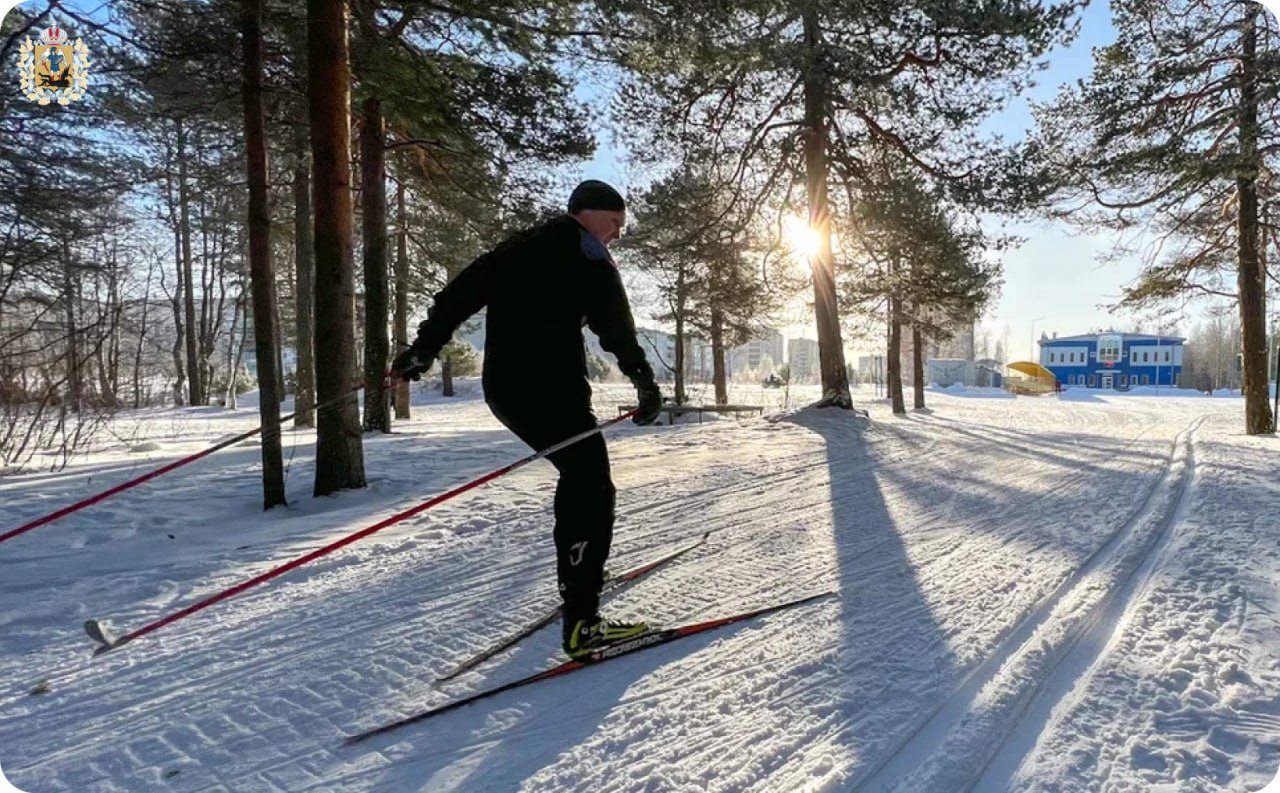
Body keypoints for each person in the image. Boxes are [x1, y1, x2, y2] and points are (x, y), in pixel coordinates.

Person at [391, 179, 663, 659]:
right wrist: (644, 382)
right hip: (551, 392)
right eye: (615, 221)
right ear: (589, 213)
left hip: (505, 391)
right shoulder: (591, 256)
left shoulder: (520, 245)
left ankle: (580, 577)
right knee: (591, 485)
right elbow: (616, 327)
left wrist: (424, 349)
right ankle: (584, 624)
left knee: (580, 476)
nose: (618, 233)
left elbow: (460, 293)